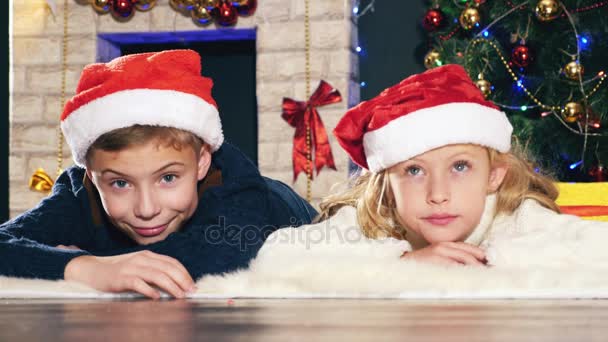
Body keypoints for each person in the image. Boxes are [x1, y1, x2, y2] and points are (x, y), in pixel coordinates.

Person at [0, 49, 317, 299]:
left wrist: (99, 261)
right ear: (92, 176)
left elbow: (221, 257)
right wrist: (80, 267)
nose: (147, 209)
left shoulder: (235, 184)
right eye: (120, 183)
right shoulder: (78, 192)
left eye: (168, 178)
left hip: (288, 209)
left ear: (202, 162)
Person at [300, 63, 607, 267]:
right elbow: (281, 258)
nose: (437, 194)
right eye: (414, 170)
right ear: (386, 185)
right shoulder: (372, 217)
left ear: (494, 177)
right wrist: (404, 262)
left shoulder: (514, 212)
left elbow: (596, 247)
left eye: (460, 167)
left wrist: (490, 260)